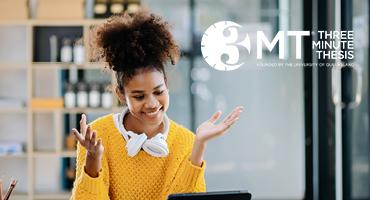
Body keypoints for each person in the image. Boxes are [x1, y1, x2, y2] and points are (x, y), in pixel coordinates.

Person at [70, 9, 243, 200]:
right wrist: (93, 160)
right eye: (139, 96)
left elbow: (186, 197)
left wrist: (199, 144)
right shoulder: (98, 135)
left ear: (167, 84)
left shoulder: (185, 140)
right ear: (121, 94)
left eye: (158, 92)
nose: (151, 104)